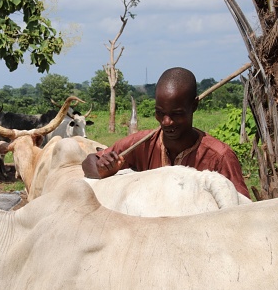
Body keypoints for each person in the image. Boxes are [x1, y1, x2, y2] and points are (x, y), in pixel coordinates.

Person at [82, 67, 251, 199]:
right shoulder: (141, 144)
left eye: (176, 114)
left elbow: (241, 211)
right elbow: (90, 161)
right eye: (160, 112)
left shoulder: (219, 157)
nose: (166, 122)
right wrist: (102, 169)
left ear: (194, 106)